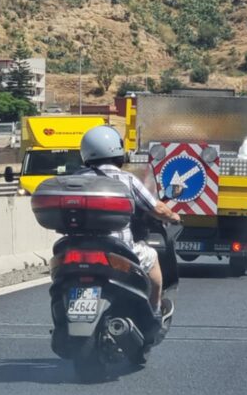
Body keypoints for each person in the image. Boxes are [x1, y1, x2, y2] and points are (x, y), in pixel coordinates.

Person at [77, 125, 181, 313]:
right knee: (152, 257)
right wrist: (173, 216)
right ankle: (154, 313)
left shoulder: (76, 179)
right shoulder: (126, 179)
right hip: (119, 249)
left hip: (79, 247)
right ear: (117, 150)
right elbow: (155, 207)